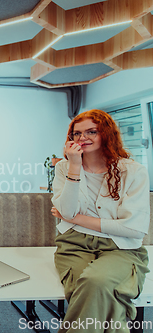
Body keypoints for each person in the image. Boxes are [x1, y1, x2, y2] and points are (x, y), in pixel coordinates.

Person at [51, 109, 150, 333]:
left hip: (121, 248)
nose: (82, 138)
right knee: (96, 293)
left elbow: (133, 229)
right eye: (76, 134)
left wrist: (77, 218)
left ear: (106, 133)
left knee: (94, 283)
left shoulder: (133, 171)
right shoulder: (64, 167)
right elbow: (66, 210)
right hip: (74, 244)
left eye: (91, 131)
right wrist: (75, 166)